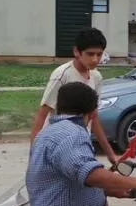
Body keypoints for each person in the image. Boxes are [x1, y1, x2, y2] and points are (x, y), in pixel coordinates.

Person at [29, 27, 118, 166]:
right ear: (77, 51)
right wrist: (34, 157)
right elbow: (41, 116)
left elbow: (93, 117)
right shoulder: (62, 75)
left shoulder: (96, 77)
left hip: (81, 142)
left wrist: (111, 155)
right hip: (57, 143)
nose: (95, 59)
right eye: (90, 54)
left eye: (99, 54)